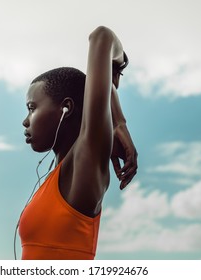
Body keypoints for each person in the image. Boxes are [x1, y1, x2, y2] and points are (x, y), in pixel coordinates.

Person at [18, 26, 137, 260]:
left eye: (32, 108)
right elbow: (90, 82)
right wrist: (110, 91)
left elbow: (101, 36)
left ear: (66, 108)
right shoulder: (58, 176)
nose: (25, 121)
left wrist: (119, 122)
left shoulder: (84, 165)